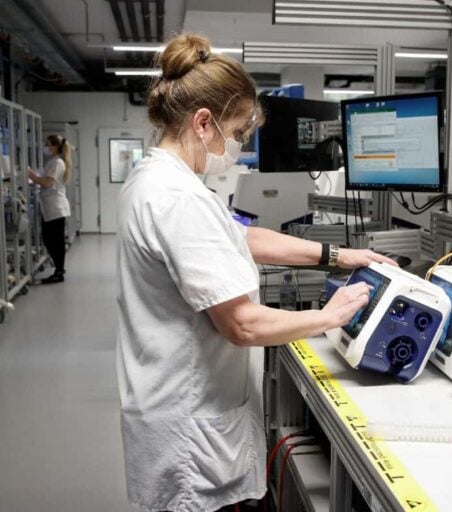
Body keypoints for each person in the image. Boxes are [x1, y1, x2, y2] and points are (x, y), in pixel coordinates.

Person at [116, 33, 396, 512]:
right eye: (240, 133)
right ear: (203, 123)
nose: (239, 147)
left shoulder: (158, 177)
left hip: (171, 403)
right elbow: (242, 324)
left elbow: (241, 237)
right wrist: (329, 317)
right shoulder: (177, 198)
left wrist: (338, 257)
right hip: (191, 432)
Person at [28, 135, 72, 284]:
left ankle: (59, 272)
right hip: (50, 207)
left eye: (48, 144)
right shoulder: (53, 162)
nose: (46, 147)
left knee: (54, 241)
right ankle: (59, 269)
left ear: (55, 146)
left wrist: (32, 176)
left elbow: (47, 183)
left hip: (55, 207)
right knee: (51, 240)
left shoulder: (58, 162)